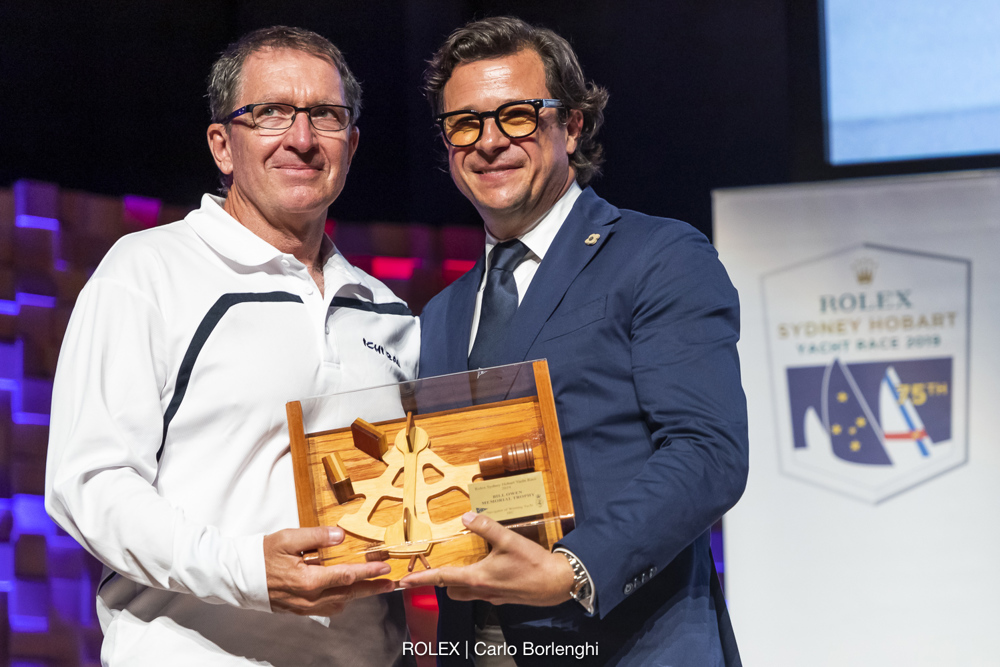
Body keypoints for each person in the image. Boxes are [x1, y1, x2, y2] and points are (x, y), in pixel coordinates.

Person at [45, 26, 419, 666]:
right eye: (271, 112)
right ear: (223, 145)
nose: (301, 139)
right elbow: (91, 484)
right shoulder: (147, 271)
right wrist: (246, 570)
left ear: (351, 144)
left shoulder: (387, 311)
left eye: (325, 116)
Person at [401, 16, 748, 666]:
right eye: (465, 123)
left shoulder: (658, 256)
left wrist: (574, 566)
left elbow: (709, 452)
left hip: (630, 645)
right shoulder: (443, 312)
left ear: (574, 124)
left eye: (518, 115)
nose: (490, 141)